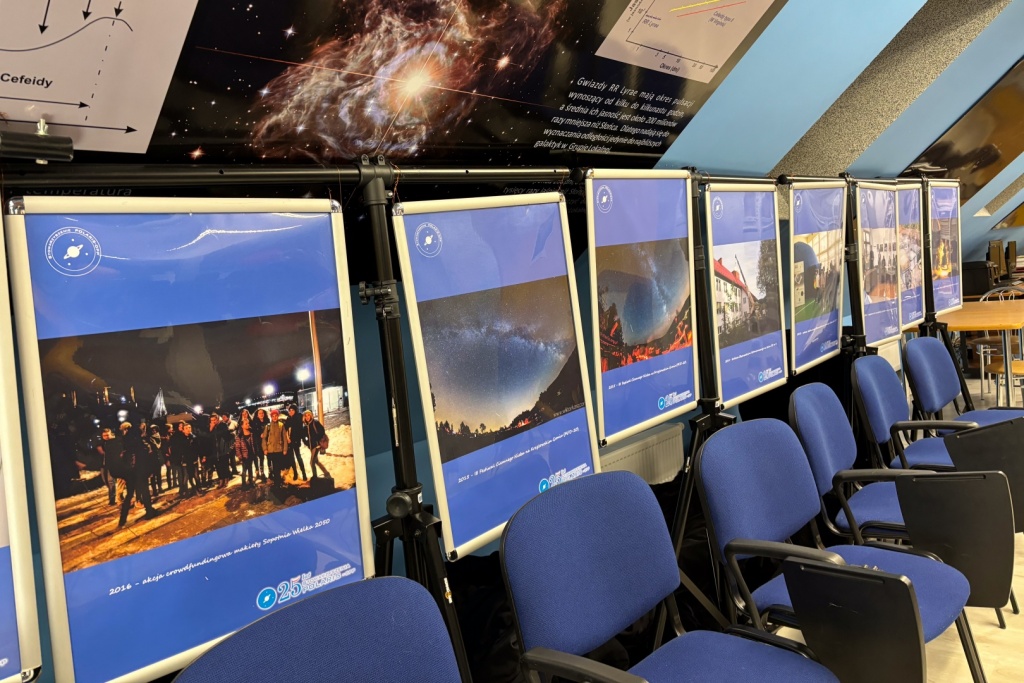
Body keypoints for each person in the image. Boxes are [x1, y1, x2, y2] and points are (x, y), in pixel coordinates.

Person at [118, 422, 157, 528]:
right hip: (140, 471)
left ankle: (122, 519)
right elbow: (147, 459)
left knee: (129, 495)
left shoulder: (125, 444)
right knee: (145, 492)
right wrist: (149, 470)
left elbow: (123, 460)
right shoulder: (141, 444)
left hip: (130, 473)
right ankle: (149, 511)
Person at [262, 408, 289, 486]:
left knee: (278, 466)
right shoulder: (268, 426)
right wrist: (265, 449)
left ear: (278, 416)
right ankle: (276, 481)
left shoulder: (281, 425)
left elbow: (284, 438)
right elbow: (264, 438)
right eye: (273, 416)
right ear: (271, 417)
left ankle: (278, 481)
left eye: (276, 416)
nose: (274, 417)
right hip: (270, 450)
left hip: (279, 449)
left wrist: (285, 449)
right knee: (273, 466)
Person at [301, 410, 330, 480]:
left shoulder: (315, 423)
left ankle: (315, 477)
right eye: (306, 416)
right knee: (316, 461)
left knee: (312, 462)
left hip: (316, 446)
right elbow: (303, 436)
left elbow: (322, 431)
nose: (307, 417)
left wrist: (317, 440)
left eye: (308, 415)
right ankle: (326, 473)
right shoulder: (305, 426)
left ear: (311, 416)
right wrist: (306, 442)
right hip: (311, 446)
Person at [284, 404, 307, 481]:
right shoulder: (288, 419)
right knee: (292, 458)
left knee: (298, 457)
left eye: (292, 410)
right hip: (290, 441)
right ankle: (295, 473)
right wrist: (287, 438)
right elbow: (285, 429)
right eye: (290, 410)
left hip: (296, 440)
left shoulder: (299, 417)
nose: (291, 412)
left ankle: (304, 473)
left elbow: (302, 427)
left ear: (295, 410)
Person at [235, 419, 256, 488]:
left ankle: (251, 481)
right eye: (246, 424)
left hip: (251, 454)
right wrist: (240, 456)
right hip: (244, 456)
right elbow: (237, 447)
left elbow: (253, 444)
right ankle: (243, 483)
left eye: (248, 423)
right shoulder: (239, 436)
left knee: (250, 468)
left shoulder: (251, 433)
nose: (248, 425)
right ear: (242, 426)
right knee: (244, 469)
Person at [251, 408, 269, 481]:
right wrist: (260, 435)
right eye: (259, 413)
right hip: (259, 442)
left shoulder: (267, 421)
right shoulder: (255, 423)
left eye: (262, 413)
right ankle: (262, 473)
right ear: (257, 415)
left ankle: (270, 472)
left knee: (269, 457)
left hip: (267, 441)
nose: (261, 414)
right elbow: (254, 433)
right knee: (261, 458)